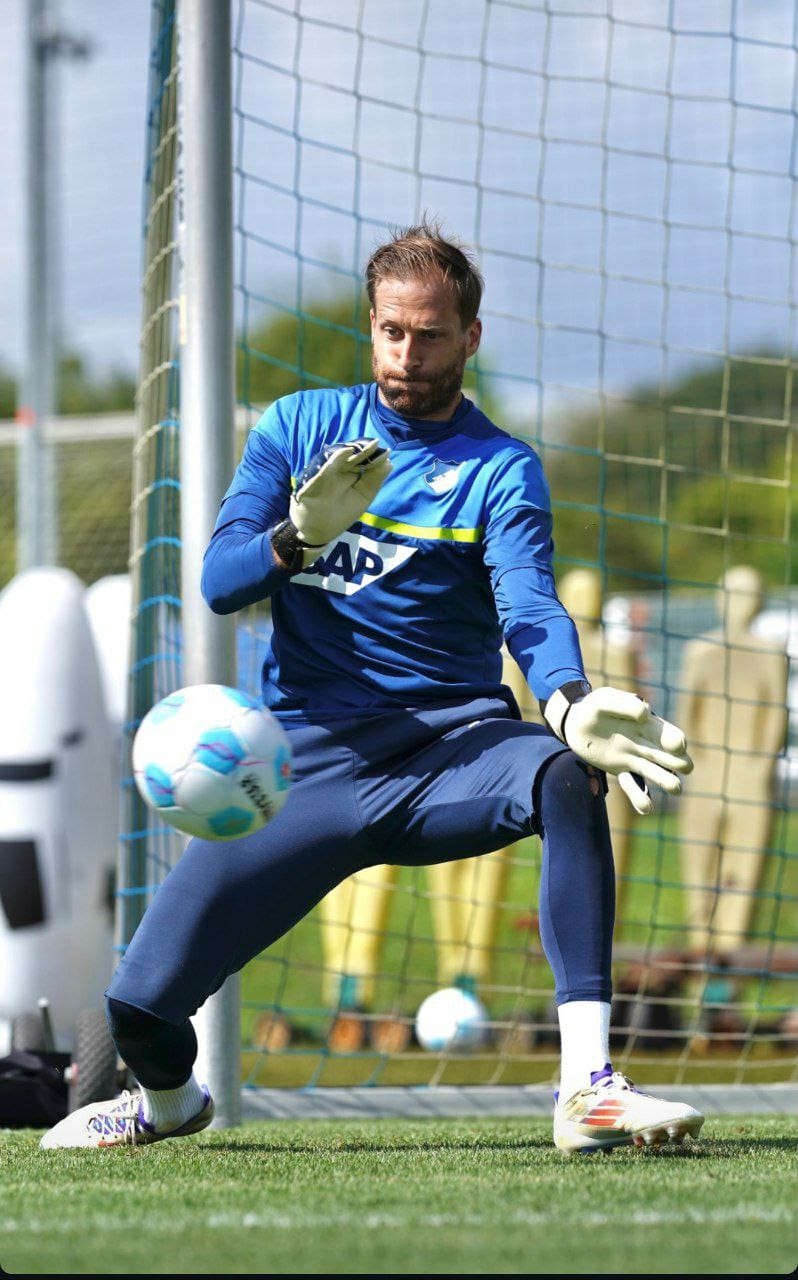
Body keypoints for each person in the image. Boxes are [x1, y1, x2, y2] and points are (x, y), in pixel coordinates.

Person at [41, 222, 702, 1154]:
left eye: (430, 335)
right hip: (300, 767)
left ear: (470, 337)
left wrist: (566, 700)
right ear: (372, 325)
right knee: (139, 1012)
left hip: (450, 751)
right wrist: (296, 537)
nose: (406, 354)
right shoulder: (296, 428)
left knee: (565, 776)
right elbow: (221, 582)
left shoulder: (500, 468)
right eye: (392, 331)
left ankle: (587, 1086)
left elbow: (528, 603)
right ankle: (171, 1104)